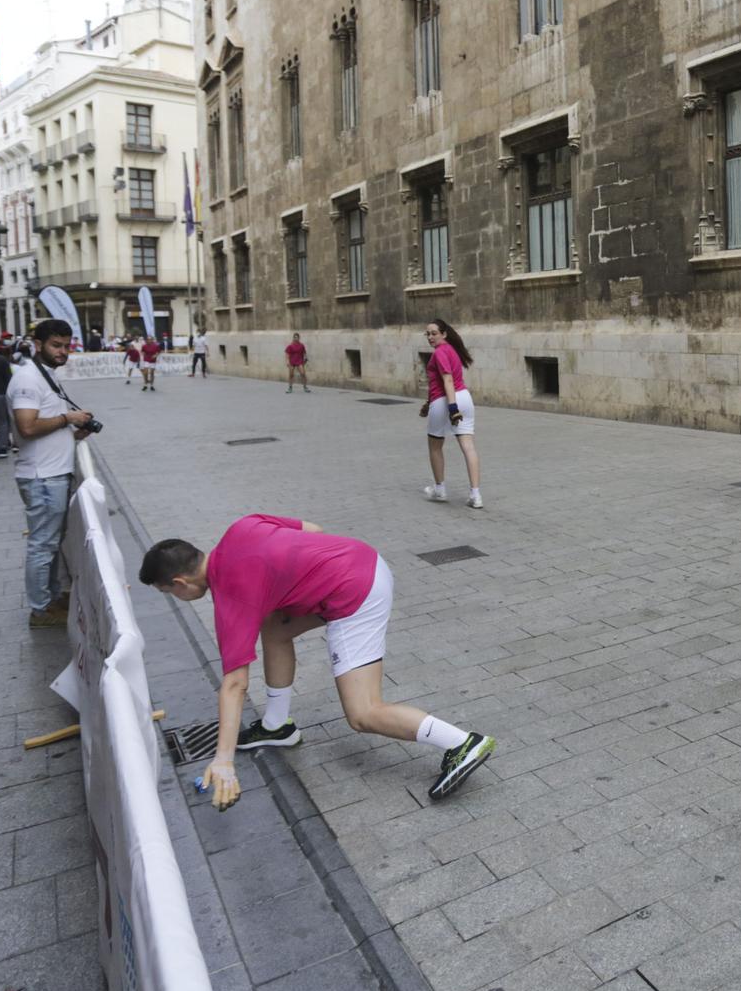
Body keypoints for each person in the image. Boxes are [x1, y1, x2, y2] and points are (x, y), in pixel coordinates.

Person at [138, 516, 496, 810]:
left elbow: (235, 684)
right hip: (363, 559)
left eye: (170, 593)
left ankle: (462, 742)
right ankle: (278, 726)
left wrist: (223, 761)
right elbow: (314, 531)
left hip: (356, 594)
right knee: (275, 627)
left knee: (363, 713)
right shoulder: (241, 527)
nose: (177, 598)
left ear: (180, 582)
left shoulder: (231, 597)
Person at [8, 320, 95, 629]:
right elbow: (27, 427)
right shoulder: (28, 380)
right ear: (38, 343)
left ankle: (52, 597)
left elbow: (46, 427)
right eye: (56, 346)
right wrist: (67, 418)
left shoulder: (47, 377)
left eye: (66, 346)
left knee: (51, 542)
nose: (62, 352)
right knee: (42, 544)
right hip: (42, 477)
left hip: (53, 472)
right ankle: (40, 608)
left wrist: (74, 434)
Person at [418, 320, 481, 509]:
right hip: (464, 398)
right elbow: (443, 381)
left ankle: (440, 489)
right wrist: (428, 404)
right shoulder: (452, 350)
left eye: (434, 333)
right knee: (468, 446)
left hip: (447, 400)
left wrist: (452, 408)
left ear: (444, 334)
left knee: (435, 446)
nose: (430, 337)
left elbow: (447, 380)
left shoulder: (439, 352)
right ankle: (475, 495)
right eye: (427, 334)